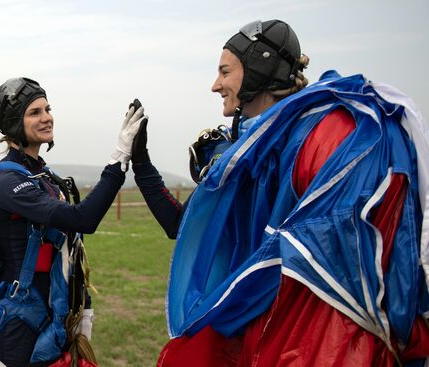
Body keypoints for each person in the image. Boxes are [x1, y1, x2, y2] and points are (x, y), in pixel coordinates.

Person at [131, 20, 429, 366]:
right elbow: (185, 228)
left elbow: (342, 266)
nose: (215, 85)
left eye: (225, 72)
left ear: (257, 67)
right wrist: (141, 163)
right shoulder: (251, 152)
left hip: (306, 345)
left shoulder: (322, 137)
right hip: (255, 340)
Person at [0, 77, 146, 367]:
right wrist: (120, 158)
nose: (47, 118)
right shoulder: (6, 183)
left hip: (55, 313)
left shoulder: (42, 176)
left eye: (47, 109)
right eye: (35, 113)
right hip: (20, 324)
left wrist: (82, 306)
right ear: (12, 123)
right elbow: (83, 218)